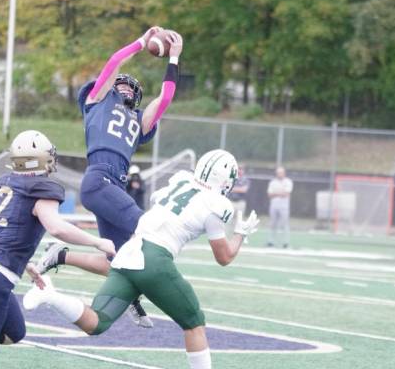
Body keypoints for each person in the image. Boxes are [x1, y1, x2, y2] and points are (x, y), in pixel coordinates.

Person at [22, 149, 259, 369]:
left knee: (97, 322)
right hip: (155, 259)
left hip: (129, 253)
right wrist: (241, 234)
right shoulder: (216, 204)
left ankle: (50, 296)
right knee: (194, 323)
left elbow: (158, 200)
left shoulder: (180, 182)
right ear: (224, 180)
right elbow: (224, 257)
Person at [35, 26, 183, 328]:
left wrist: (175, 59)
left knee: (115, 259)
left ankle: (60, 256)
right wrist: (142, 42)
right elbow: (115, 62)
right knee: (150, 230)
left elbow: (165, 98)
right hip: (98, 178)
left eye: (132, 87)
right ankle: (145, 297)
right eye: (122, 85)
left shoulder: (139, 120)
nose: (127, 88)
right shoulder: (98, 101)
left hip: (115, 186)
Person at [0, 130, 115, 369]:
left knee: (14, 332)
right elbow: (57, 228)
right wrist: (98, 242)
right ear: (43, 159)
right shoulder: (42, 188)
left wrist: (26, 263)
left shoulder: (7, 183)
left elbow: (2, 229)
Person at [267, 166, 293, 248]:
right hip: (274, 206)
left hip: (284, 206)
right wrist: (280, 193)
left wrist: (276, 193)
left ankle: (285, 242)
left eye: (281, 172)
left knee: (284, 224)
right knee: (273, 224)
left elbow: (286, 194)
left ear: (284, 173)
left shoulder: (288, 182)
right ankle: (271, 242)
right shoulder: (273, 182)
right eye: (278, 173)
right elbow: (270, 194)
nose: (279, 174)